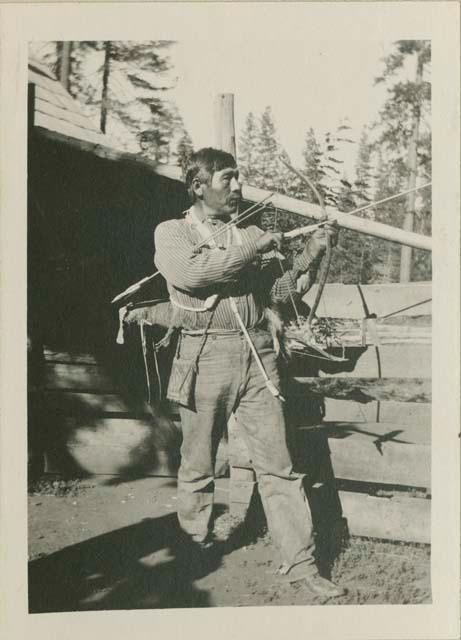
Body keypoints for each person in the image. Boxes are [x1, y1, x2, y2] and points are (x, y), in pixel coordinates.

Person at [154, 147, 344, 598]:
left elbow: (278, 292)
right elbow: (194, 274)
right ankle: (194, 551)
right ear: (199, 186)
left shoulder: (249, 231)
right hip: (203, 355)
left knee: (279, 466)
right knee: (199, 464)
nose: (238, 187)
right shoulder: (174, 232)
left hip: (258, 355)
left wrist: (309, 257)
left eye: (238, 178)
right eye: (227, 179)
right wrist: (254, 246)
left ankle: (301, 565)